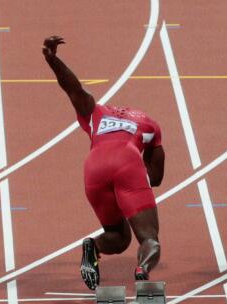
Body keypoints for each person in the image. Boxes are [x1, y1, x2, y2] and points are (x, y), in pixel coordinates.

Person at [42, 36, 165, 290]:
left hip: (94, 167)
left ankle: (94, 246)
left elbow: (73, 88)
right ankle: (142, 270)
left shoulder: (96, 113)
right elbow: (156, 176)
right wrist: (132, 192)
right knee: (149, 240)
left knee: (118, 238)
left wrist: (53, 60)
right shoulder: (150, 124)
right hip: (129, 162)